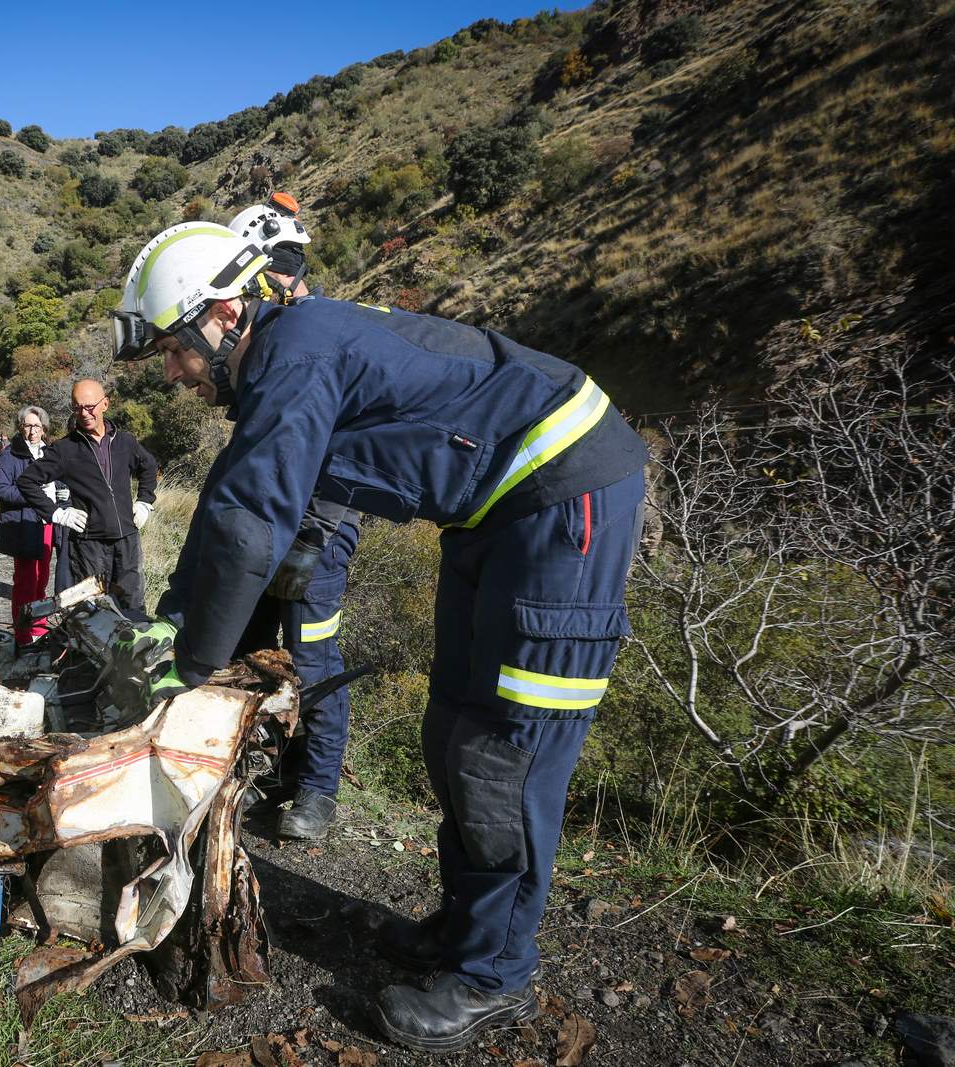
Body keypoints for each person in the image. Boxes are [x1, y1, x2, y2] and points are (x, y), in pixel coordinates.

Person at [111, 222, 647, 1052]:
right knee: (453, 725)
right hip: (490, 514)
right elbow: (229, 503)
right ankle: (464, 929)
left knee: (503, 749)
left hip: (561, 497)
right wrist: (174, 621)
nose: (175, 372)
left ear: (225, 312)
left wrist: (188, 667)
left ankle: (494, 973)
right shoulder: (282, 360)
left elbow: (251, 527)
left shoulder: (294, 358)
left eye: (176, 350)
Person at [224, 195, 361, 842]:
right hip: (274, 522)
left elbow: (340, 450)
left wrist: (317, 533)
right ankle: (278, 773)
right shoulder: (273, 338)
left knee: (312, 657)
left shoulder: (318, 334)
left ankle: (318, 791)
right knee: (257, 652)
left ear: (276, 270)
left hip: (320, 527)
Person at [16, 380, 158, 616]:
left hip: (128, 541)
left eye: (90, 406)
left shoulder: (125, 442)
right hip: (89, 546)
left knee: (133, 608)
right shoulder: (65, 449)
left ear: (105, 404)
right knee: (94, 613)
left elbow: (149, 466)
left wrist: (145, 501)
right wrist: (56, 513)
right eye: (77, 407)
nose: (84, 413)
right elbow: (27, 481)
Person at [0, 406, 66, 645]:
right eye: (28, 425)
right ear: (20, 427)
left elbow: (60, 481)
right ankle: (23, 635)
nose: (33, 431)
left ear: (45, 428)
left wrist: (61, 491)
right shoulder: (10, 454)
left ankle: (39, 628)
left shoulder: (50, 453)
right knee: (26, 582)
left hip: (47, 524)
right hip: (24, 524)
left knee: (42, 579)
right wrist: (32, 496)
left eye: (37, 426)